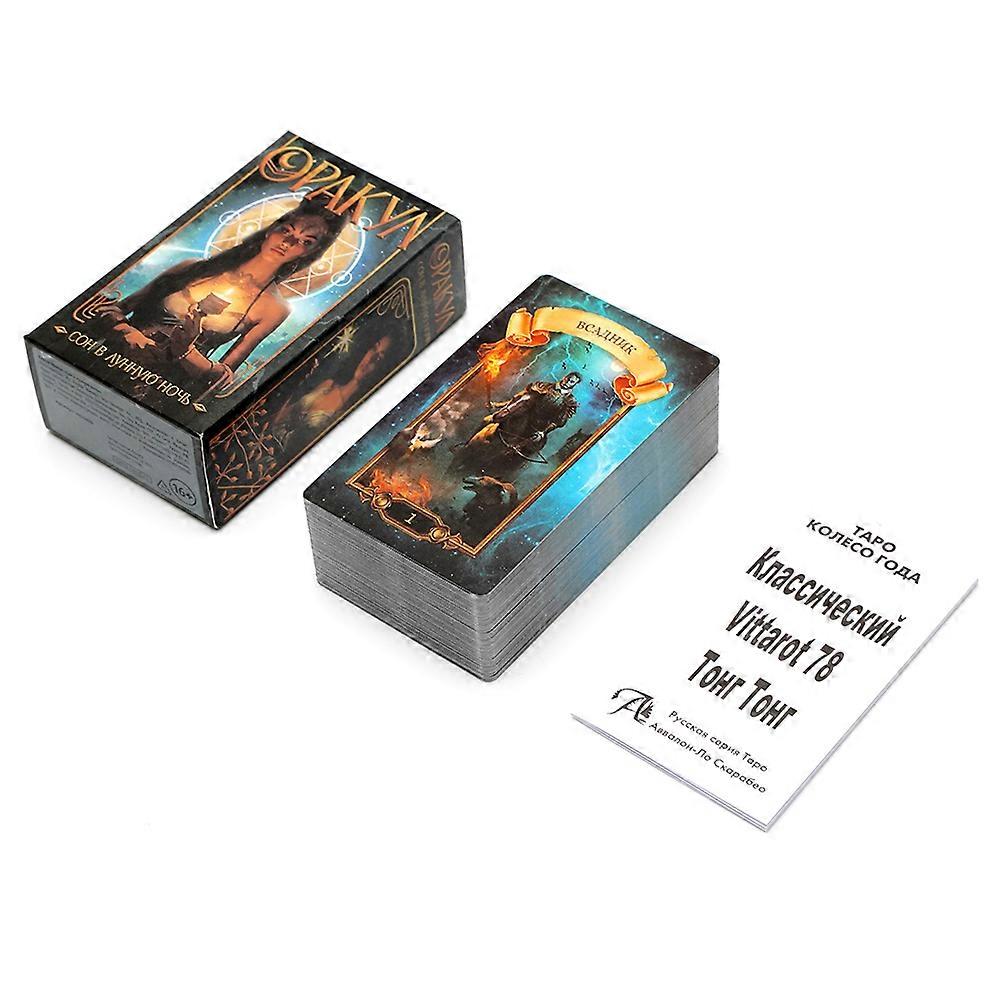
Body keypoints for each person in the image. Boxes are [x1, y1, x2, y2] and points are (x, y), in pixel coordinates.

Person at [93, 198, 349, 393]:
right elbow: (117, 307)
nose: (288, 243)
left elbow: (222, 377)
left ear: (310, 254)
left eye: (305, 241)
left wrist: (186, 351)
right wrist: (125, 330)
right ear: (272, 229)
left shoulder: (273, 309)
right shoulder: (193, 268)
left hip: (159, 389)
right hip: (107, 358)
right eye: (287, 231)